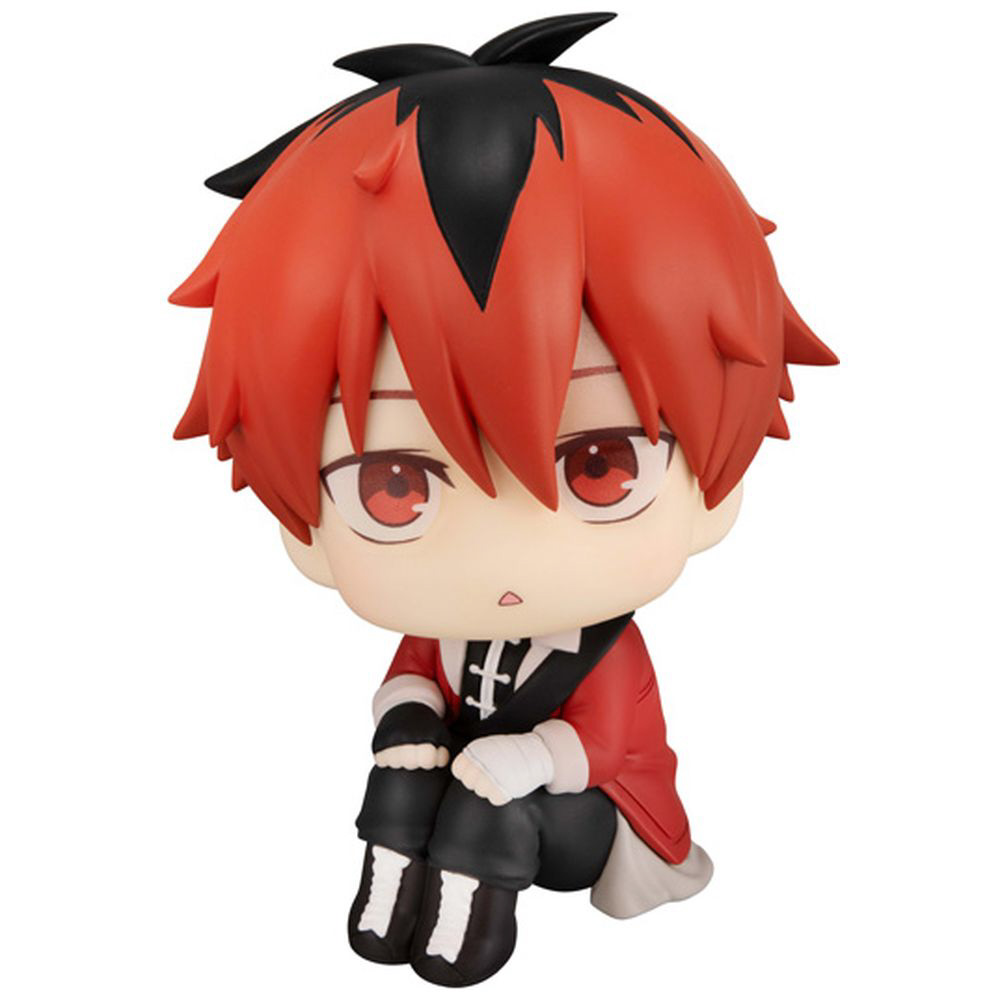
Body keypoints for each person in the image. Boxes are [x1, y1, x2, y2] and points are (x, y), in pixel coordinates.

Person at [170, 12, 837, 987]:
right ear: (303, 529)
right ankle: (389, 891)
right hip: (463, 789)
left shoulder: (603, 651)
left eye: (599, 464)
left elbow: (605, 744)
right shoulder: (439, 637)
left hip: (580, 818)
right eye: (393, 485)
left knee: (492, 805)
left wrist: (523, 761)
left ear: (713, 490)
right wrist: (406, 719)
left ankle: (464, 928)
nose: (503, 554)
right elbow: (411, 680)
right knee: (400, 779)